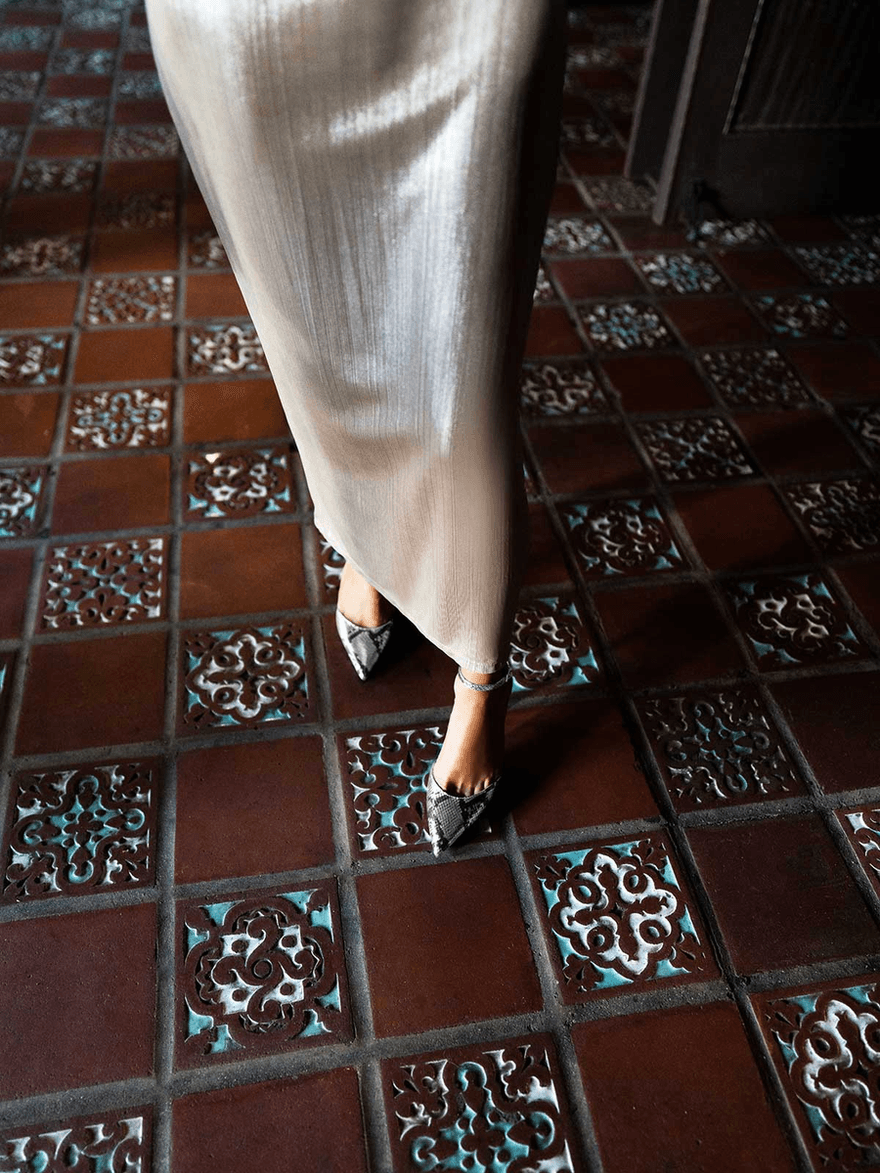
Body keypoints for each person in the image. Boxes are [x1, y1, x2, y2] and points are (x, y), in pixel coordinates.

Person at [144, 0, 567, 853]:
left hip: (459, 24)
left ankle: (482, 670)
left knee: (463, 371)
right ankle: (368, 537)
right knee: (315, 333)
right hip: (257, 24)